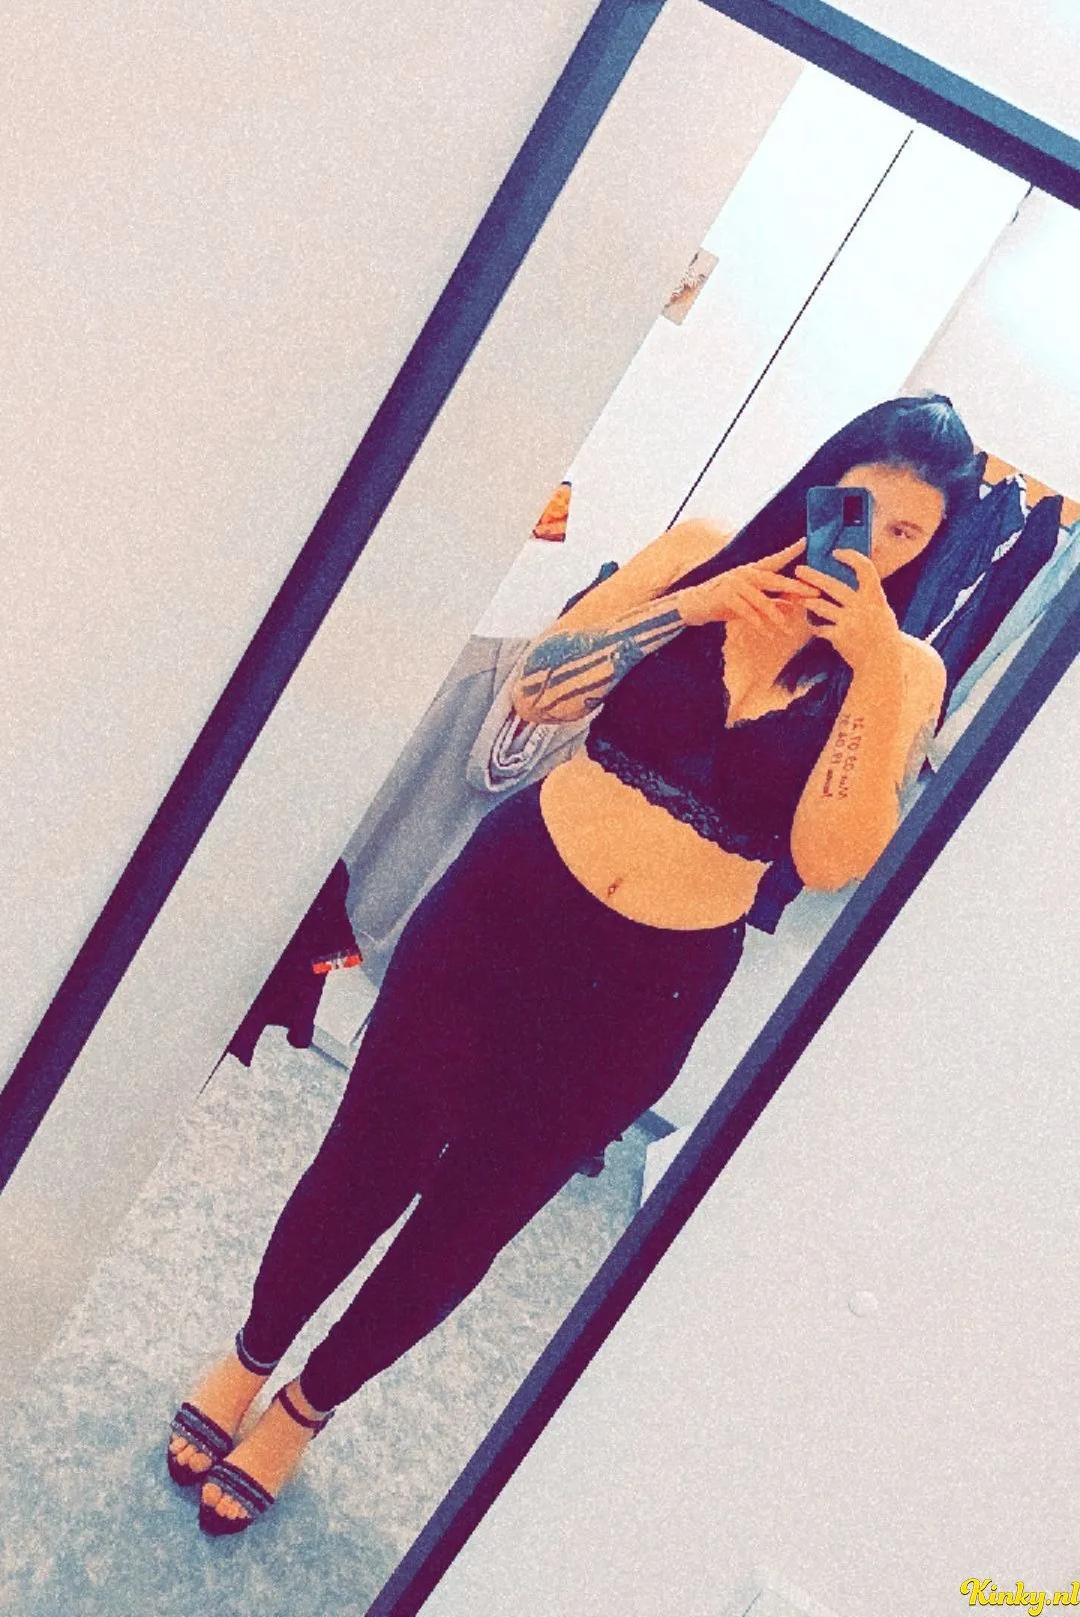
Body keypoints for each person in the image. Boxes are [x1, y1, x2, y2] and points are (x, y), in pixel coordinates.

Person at [166, 392, 978, 1536]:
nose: (874, 546)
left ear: (934, 546)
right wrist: (693, 605)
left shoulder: (907, 672)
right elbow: (540, 686)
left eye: (907, 534)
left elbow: (828, 859)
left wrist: (872, 666)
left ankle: (305, 1408)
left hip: (648, 993)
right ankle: (250, 1356)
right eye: (861, 510)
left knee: (473, 1214)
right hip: (504, 911)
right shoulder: (699, 554)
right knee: (370, 1151)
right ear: (820, 486)